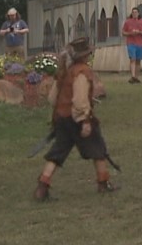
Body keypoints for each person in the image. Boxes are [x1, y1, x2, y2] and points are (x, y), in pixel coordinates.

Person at [34, 37, 118, 201]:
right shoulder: (82, 72)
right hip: (76, 118)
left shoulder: (65, 71)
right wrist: (85, 120)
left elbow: (53, 98)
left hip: (62, 117)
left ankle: (42, 186)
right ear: (86, 55)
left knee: (57, 153)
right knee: (98, 148)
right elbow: (79, 100)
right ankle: (103, 182)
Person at [122, 7, 142, 84]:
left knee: (138, 60)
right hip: (131, 43)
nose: (134, 14)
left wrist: (139, 32)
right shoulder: (127, 22)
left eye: (136, 12)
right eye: (133, 12)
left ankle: (136, 77)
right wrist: (130, 33)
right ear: (131, 13)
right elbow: (123, 32)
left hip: (140, 43)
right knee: (132, 59)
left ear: (138, 13)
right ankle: (133, 76)